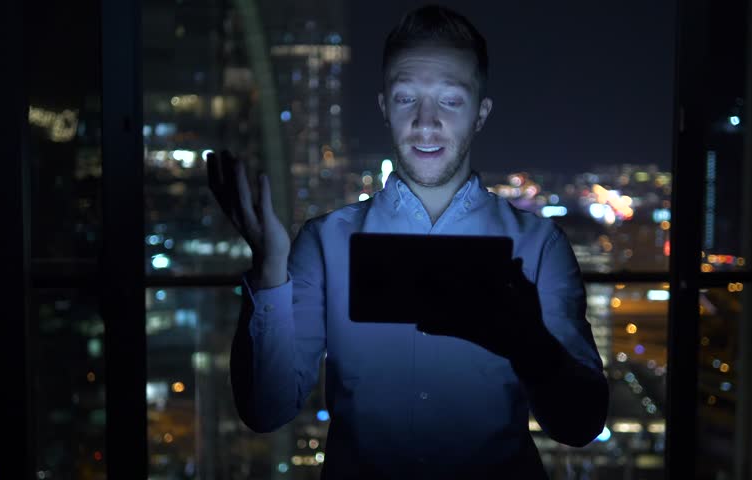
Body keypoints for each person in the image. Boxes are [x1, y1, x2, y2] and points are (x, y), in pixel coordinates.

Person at [206, 5, 608, 479]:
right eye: (406, 99)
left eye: (450, 101)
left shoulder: (540, 246)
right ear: (384, 108)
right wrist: (270, 269)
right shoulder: (325, 242)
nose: (425, 121)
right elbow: (265, 411)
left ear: (480, 114)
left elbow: (580, 424)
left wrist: (530, 345)